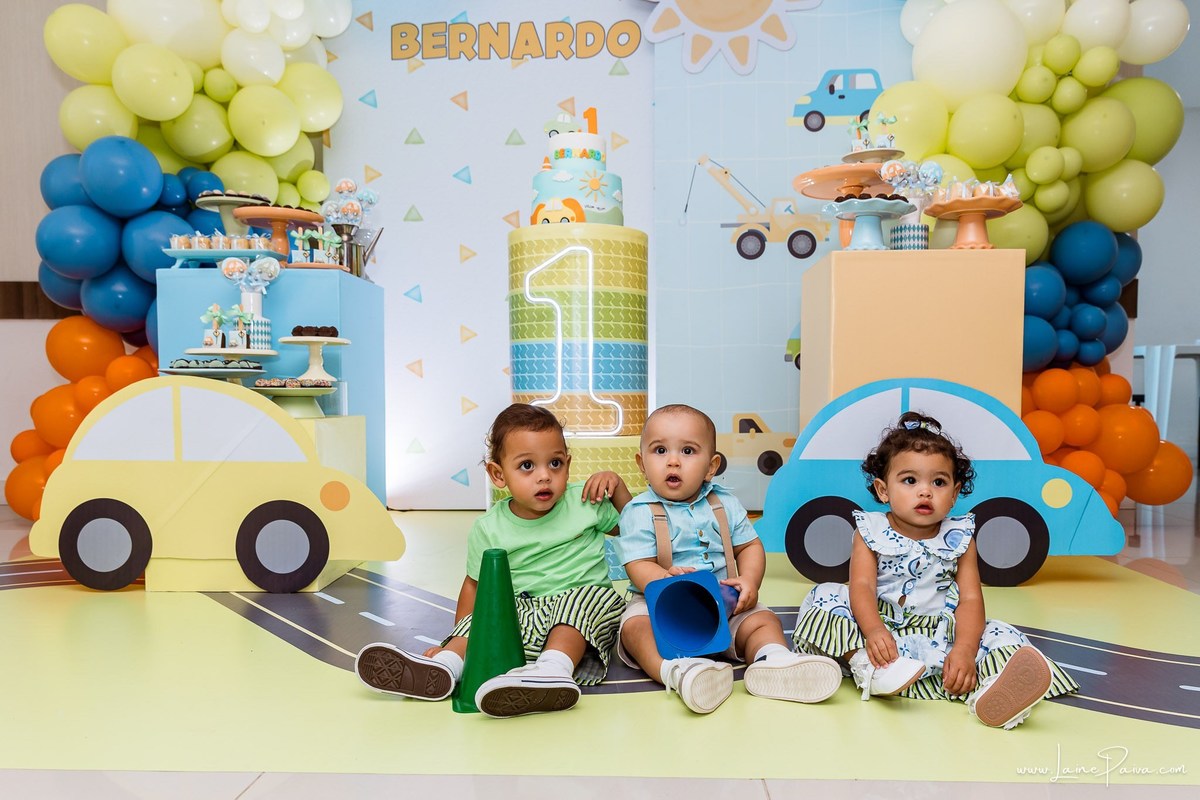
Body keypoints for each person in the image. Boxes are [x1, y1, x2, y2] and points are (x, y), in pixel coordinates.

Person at [792, 411, 1079, 729]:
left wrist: (965, 649)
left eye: (938, 482)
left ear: (955, 494)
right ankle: (866, 666)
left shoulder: (960, 536)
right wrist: (873, 631)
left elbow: (970, 599)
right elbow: (861, 586)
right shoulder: (869, 530)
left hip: (941, 640)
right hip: (880, 634)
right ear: (883, 489)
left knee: (1002, 636)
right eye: (910, 480)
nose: (925, 491)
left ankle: (992, 693)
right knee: (826, 595)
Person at [354, 403, 632, 718]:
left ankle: (552, 672)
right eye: (527, 466)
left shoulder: (586, 501)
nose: (544, 476)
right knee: (486, 620)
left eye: (555, 463)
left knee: (579, 606)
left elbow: (634, 528)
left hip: (584, 602)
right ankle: (446, 668)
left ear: (568, 464)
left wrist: (618, 488)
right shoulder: (489, 527)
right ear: (498, 474)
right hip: (523, 610)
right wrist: (458, 635)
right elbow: (475, 586)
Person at [613, 404, 842, 714]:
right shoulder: (639, 512)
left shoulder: (725, 503)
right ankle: (679, 673)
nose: (673, 461)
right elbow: (638, 565)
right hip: (662, 605)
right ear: (642, 463)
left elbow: (749, 547)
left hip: (725, 601)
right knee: (635, 629)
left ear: (711, 466)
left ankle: (773, 661)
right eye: (660, 450)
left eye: (689, 451)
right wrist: (665, 580)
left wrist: (749, 581)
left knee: (763, 620)